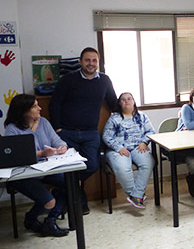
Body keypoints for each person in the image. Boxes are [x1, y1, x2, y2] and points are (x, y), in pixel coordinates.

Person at [49, 47, 117, 214]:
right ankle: (80, 202)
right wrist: (57, 128)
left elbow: (113, 103)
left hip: (90, 133)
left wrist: (132, 110)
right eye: (87, 60)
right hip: (66, 132)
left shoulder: (105, 81)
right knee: (69, 167)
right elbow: (54, 103)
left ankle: (63, 191)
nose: (91, 64)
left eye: (94, 60)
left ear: (98, 62)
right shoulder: (68, 80)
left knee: (92, 165)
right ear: (80, 61)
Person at [4, 94, 69, 237]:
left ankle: (50, 221)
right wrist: (41, 153)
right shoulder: (12, 129)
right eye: (34, 106)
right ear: (24, 110)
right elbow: (15, 155)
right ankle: (31, 218)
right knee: (49, 202)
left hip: (45, 170)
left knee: (72, 184)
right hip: (23, 175)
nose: (39, 108)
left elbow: (57, 140)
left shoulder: (44, 122)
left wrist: (62, 147)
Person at [102, 92, 155, 209]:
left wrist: (144, 142)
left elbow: (151, 131)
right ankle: (136, 196)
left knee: (148, 162)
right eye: (123, 100)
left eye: (129, 99)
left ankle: (136, 195)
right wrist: (118, 147)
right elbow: (107, 136)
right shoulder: (114, 118)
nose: (126, 101)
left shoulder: (142, 116)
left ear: (134, 101)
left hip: (137, 147)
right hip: (118, 149)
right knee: (123, 168)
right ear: (119, 103)